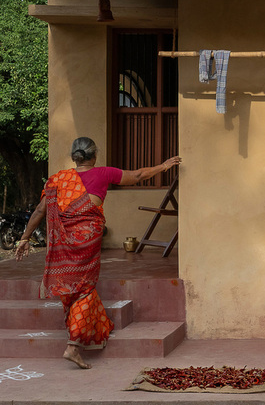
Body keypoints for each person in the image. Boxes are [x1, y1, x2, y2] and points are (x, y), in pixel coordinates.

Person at [15, 137, 181, 369]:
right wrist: (163, 166)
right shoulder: (103, 173)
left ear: (75, 157)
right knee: (84, 288)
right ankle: (74, 345)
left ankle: (84, 331)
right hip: (88, 238)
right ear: (94, 156)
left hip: (63, 241)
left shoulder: (58, 179)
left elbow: (40, 210)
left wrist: (24, 238)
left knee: (71, 283)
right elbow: (139, 175)